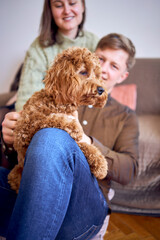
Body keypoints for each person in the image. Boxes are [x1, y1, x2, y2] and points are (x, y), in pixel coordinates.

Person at [0, 32, 139, 239]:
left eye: (114, 66)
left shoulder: (125, 117)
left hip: (84, 205)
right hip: (32, 187)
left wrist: (84, 140)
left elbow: (130, 170)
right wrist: (10, 139)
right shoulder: (58, 94)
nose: (102, 69)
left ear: (123, 76)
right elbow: (22, 152)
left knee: (52, 137)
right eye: (100, 59)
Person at [0, 0, 99, 167]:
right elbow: (27, 98)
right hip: (44, 107)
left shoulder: (94, 43)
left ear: (82, 6)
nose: (67, 10)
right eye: (58, 5)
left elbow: (101, 82)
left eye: (73, 3)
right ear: (50, 11)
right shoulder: (39, 46)